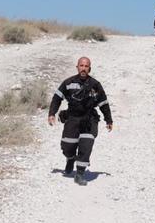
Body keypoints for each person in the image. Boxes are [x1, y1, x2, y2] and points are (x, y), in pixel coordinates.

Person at [47, 57, 114, 186]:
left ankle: (80, 174)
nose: (83, 68)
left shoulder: (95, 85)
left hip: (89, 119)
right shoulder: (68, 82)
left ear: (90, 68)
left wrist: (108, 119)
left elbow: (104, 103)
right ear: (77, 67)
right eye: (81, 65)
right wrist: (52, 113)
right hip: (72, 118)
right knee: (67, 146)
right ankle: (70, 159)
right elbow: (57, 98)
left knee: (86, 145)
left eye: (86, 66)